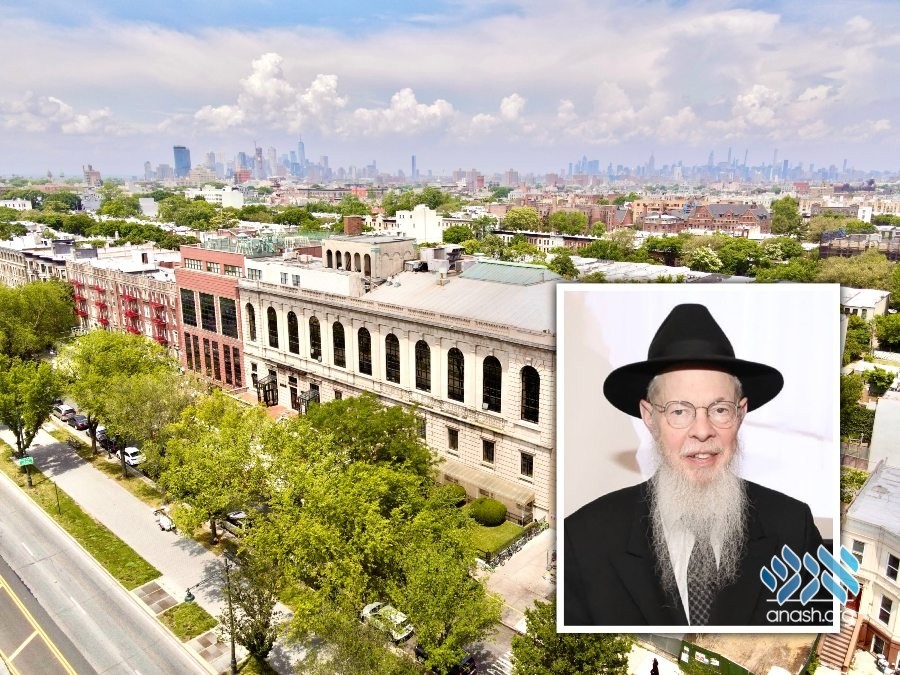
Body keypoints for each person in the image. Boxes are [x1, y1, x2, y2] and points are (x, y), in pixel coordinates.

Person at [564, 303, 828, 627]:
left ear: (740, 413)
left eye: (719, 410)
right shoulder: (584, 540)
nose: (702, 431)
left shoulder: (793, 530)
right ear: (650, 417)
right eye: (679, 411)